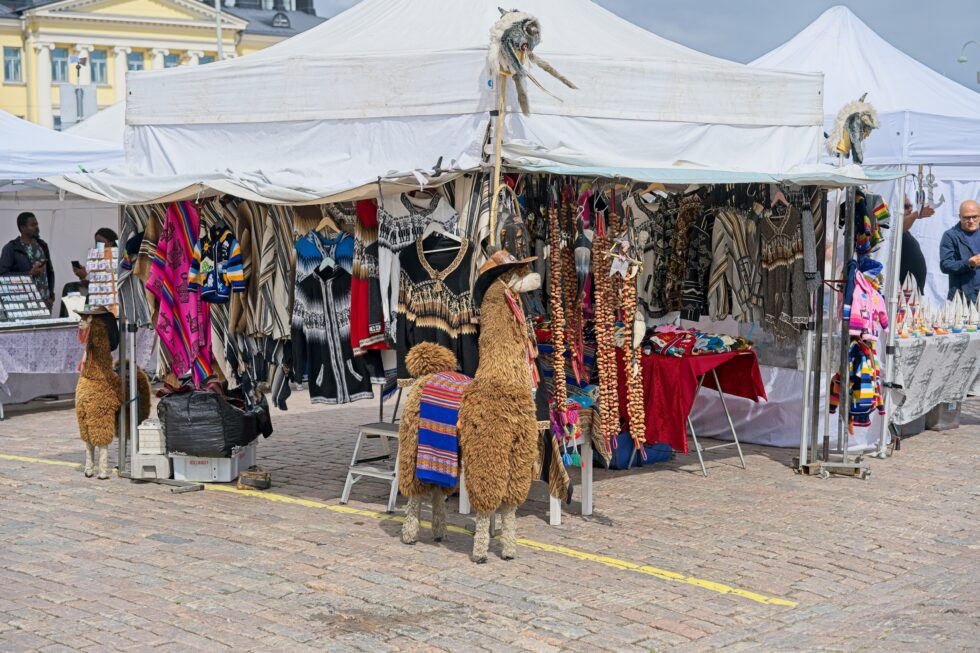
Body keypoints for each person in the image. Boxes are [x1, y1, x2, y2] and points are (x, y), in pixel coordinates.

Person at [0, 212, 55, 308]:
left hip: (45, 302)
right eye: (33, 225)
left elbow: (50, 272)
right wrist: (28, 274)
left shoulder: (42, 245)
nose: (37, 227)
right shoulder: (11, 248)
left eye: (37, 224)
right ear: (22, 228)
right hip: (24, 304)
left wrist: (51, 296)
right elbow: (3, 275)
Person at [939, 199, 980, 302]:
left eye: (974, 217)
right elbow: (945, 265)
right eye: (966, 217)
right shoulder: (950, 235)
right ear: (960, 217)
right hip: (963, 297)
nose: (971, 221)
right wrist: (968, 263)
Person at [899, 200, 934, 293]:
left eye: (911, 206)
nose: (910, 208)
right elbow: (899, 227)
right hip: (903, 289)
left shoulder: (906, 231)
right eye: (906, 206)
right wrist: (916, 214)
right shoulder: (895, 229)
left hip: (911, 288)